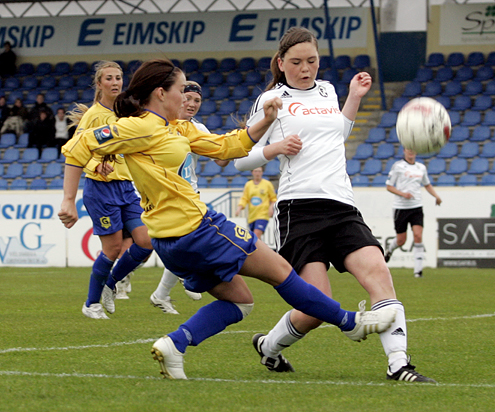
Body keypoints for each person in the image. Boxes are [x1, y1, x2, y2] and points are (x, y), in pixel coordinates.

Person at [59, 58, 397, 380]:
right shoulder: (136, 127)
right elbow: (77, 148)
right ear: (161, 93)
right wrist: (69, 200)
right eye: (180, 89)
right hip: (197, 228)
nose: (186, 97)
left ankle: (175, 344)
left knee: (240, 300)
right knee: (281, 272)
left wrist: (264, 121)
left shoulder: (177, 126)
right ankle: (351, 323)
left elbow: (226, 147)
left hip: (169, 240)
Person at [235, 27, 435, 383]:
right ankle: (269, 347)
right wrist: (275, 150)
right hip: (299, 209)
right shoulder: (272, 99)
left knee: (379, 275)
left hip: (342, 205)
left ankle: (399, 364)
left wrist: (354, 97)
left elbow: (336, 135)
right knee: (316, 307)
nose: (305, 68)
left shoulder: (327, 89)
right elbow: (240, 158)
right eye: (296, 62)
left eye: (311, 61)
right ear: (281, 63)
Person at [59, 61, 155, 320]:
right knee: (112, 249)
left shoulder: (126, 111)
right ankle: (91, 304)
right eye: (109, 78)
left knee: (147, 241)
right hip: (100, 190)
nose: (115, 82)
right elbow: (75, 148)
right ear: (99, 84)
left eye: (119, 78)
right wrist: (94, 164)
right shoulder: (93, 115)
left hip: (126, 187)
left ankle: (110, 284)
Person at [149, 80, 221, 315]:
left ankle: (164, 292)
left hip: (190, 196)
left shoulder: (198, 129)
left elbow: (221, 159)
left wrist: (242, 143)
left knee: (187, 246)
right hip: (165, 196)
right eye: (187, 98)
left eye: (197, 101)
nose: (191, 104)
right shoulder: (159, 124)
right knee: (184, 247)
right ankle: (182, 280)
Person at [383, 148, 442, 278]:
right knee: (401, 240)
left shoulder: (421, 167)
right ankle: (389, 251)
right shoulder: (398, 166)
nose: (411, 152)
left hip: (416, 207)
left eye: (413, 150)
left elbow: (427, 184)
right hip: (401, 208)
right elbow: (389, 186)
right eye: (408, 150)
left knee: (418, 236)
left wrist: (436, 196)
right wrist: (403, 194)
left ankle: (418, 271)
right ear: (404, 151)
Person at [235, 166, 277, 241]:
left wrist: (271, 207)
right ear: (252, 172)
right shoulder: (248, 185)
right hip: (252, 216)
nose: (257, 173)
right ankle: (261, 252)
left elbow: (273, 198)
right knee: (254, 238)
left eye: (259, 171)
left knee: (256, 235)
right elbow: (245, 198)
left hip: (262, 215)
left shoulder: (267, 184)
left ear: (262, 172)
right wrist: (239, 208)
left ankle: (260, 252)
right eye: (256, 171)